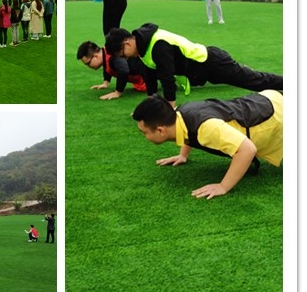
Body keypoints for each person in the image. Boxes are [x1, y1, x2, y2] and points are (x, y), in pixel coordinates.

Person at [132, 90, 283, 199]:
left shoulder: (206, 127)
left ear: (160, 131)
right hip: (267, 99)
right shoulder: (178, 114)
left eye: (144, 132)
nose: (144, 136)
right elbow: (187, 129)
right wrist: (183, 155)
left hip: (279, 114)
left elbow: (247, 150)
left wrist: (223, 186)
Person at [105, 23, 283, 108]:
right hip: (201, 72)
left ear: (127, 43)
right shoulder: (143, 48)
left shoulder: (158, 44)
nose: (125, 58)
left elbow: (167, 79)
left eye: (122, 54)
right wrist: (150, 107)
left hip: (212, 63)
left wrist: (170, 110)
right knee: (252, 80)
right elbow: (150, 75)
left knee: (254, 81)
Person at [77, 40, 147, 100]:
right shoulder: (105, 53)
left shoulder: (113, 56)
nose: (88, 66)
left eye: (88, 63)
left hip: (148, 77)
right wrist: (106, 83)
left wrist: (117, 92)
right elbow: (107, 65)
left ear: (96, 56)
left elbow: (123, 70)